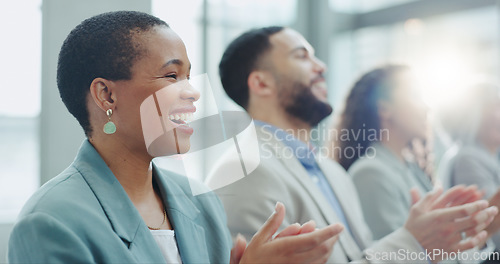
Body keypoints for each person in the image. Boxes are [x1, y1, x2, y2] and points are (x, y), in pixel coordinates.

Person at [7, 11, 344, 264]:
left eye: (188, 76)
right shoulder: (51, 222)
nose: (193, 93)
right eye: (171, 76)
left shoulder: (200, 202)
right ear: (106, 96)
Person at [209, 27, 498, 263]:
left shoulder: (332, 173)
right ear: (261, 84)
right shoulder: (244, 170)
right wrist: (414, 242)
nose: (321, 66)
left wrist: (449, 238)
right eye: (302, 56)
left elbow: (365, 255)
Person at [334, 65, 500, 256]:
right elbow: (398, 258)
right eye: (415, 95)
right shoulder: (370, 173)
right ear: (384, 109)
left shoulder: (411, 169)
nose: (427, 107)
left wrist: (479, 231)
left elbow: (435, 252)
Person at [438, 81, 500, 247]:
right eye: (497, 106)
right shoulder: (468, 159)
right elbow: (491, 233)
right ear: (475, 115)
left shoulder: (485, 156)